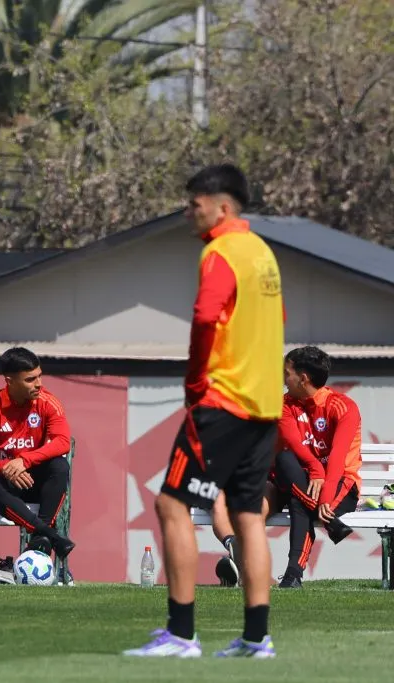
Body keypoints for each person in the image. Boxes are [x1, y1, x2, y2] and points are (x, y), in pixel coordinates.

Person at [124, 164, 284, 659]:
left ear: (224, 206)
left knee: (172, 505)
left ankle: (181, 634)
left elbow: (205, 318)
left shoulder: (221, 252)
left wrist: (195, 383)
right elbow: (277, 322)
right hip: (264, 406)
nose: (188, 211)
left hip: (223, 402)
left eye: (195, 203)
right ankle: (257, 639)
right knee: (247, 516)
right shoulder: (263, 254)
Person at [0, 347, 75, 579]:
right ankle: (49, 537)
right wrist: (4, 467)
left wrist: (24, 460)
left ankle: (39, 540)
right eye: (30, 379)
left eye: (39, 376)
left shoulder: (47, 402)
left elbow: (63, 442)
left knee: (59, 466)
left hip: (29, 481)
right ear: (9, 381)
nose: (38, 384)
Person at [272, 346, 359, 587]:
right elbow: (294, 448)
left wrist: (325, 499)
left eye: (286, 372)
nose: (283, 378)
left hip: (339, 483)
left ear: (303, 378)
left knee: (299, 502)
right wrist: (315, 472)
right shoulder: (285, 404)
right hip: (302, 479)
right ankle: (333, 526)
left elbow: (338, 459)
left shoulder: (342, 407)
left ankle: (293, 575)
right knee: (283, 460)